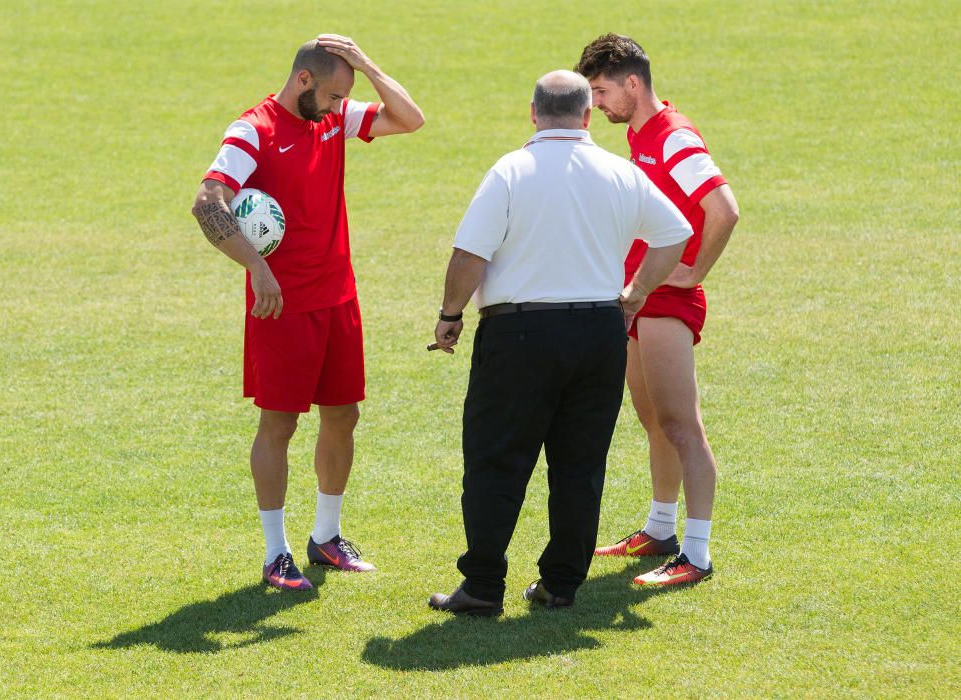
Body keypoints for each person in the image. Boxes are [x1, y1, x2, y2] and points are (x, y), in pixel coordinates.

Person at [427, 70, 692, 616]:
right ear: (587, 116)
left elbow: (468, 257)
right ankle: (561, 584)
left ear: (533, 113)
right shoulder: (621, 173)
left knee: (495, 460)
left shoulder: (510, 170)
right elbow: (676, 234)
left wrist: (450, 314)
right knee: (579, 465)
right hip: (600, 332)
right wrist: (637, 292)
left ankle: (481, 585)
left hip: (517, 334)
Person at [191, 35, 424, 591]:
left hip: (338, 296)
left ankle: (326, 537)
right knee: (280, 424)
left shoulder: (332, 119)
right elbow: (207, 201)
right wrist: (258, 269)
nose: (342, 105)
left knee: (343, 415)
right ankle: (276, 554)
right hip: (281, 307)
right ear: (303, 81)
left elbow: (410, 119)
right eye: (334, 93)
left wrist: (364, 64)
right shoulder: (255, 131)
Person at [576, 34, 740, 586]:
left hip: (668, 299)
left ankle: (696, 554)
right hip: (640, 296)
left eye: (601, 92)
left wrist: (693, 272)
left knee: (681, 425)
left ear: (632, 83)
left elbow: (724, 209)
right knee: (653, 422)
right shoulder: (643, 134)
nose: (596, 105)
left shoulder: (673, 138)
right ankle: (661, 529)